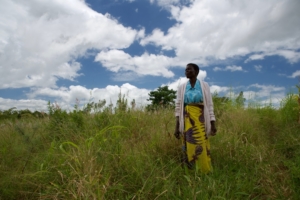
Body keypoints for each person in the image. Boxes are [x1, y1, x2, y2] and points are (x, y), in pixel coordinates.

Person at [174, 63, 217, 173]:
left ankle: (203, 170)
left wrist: (213, 123)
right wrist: (177, 126)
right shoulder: (182, 87)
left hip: (201, 120)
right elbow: (178, 107)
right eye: (185, 70)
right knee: (189, 145)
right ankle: (191, 171)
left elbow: (209, 105)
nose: (186, 71)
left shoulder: (204, 86)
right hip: (187, 120)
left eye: (189, 69)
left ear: (196, 72)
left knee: (201, 143)